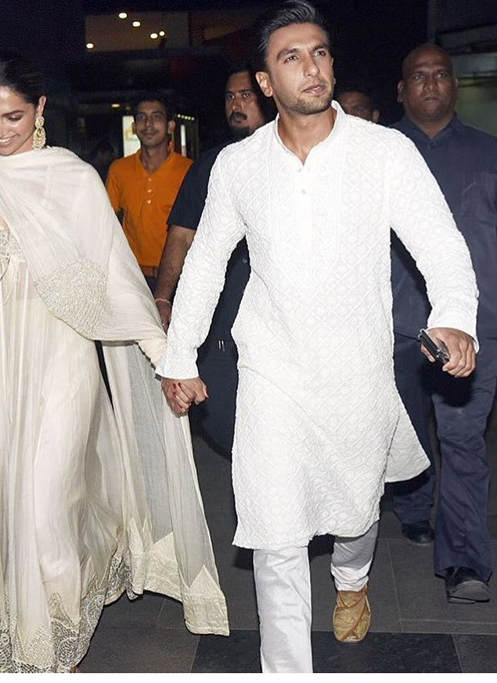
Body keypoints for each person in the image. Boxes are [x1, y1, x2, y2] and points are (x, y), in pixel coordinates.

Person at [156, 1, 478, 673]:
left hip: (356, 369)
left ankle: (353, 579)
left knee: (357, 513)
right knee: (274, 534)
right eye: (292, 57)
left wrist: (453, 314)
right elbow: (207, 261)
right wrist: (178, 355)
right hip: (271, 369)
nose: (313, 67)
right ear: (266, 82)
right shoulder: (239, 166)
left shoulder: (384, 152)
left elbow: (440, 243)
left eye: (321, 52)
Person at [0, 50, 227, 673]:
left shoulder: (71, 177)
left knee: (46, 505)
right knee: (10, 505)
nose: (0, 131)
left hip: (64, 357)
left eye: (14, 115)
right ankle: (59, 592)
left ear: (41, 108)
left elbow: (114, 277)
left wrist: (168, 362)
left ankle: (55, 646)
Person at [391, 43, 497, 603]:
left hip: (476, 330)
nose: (430, 84)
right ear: (402, 91)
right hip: (397, 325)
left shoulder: (489, 154)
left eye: (440, 75)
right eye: (418, 77)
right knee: (405, 432)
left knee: (462, 440)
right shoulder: (379, 155)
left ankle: (465, 562)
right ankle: (413, 507)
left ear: (454, 85)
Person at [154, 65, 270, 457]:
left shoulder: (287, 157)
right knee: (224, 423)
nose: (236, 104)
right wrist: (164, 297)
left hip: (277, 320)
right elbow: (182, 236)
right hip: (221, 322)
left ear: (268, 93)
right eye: (229, 96)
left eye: (245, 95)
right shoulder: (209, 165)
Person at [105, 92, 192, 290]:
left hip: (178, 278)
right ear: (134, 127)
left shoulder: (189, 170)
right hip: (132, 277)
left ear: (170, 126)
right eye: (142, 118)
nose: (148, 124)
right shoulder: (119, 170)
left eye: (156, 117)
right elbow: (107, 222)